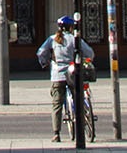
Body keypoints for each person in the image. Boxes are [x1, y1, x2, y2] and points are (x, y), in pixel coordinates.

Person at [35, 15, 94, 143]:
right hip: (73, 74)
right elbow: (89, 52)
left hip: (57, 75)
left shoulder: (52, 39)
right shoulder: (74, 39)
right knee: (78, 98)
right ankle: (81, 121)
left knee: (57, 104)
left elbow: (40, 52)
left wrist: (44, 63)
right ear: (71, 27)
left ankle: (56, 133)